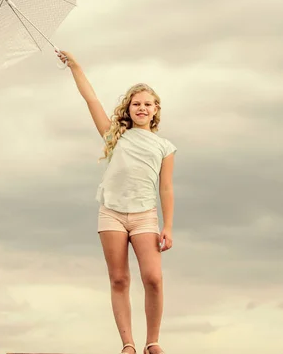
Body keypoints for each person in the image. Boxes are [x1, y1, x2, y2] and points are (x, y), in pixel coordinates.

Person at [57, 50, 176, 354]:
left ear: (156, 109)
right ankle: (128, 344)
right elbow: (91, 100)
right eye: (136, 103)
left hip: (145, 216)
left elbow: (166, 188)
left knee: (153, 278)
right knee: (119, 279)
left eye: (147, 104)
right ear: (129, 107)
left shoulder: (165, 146)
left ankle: (153, 341)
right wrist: (76, 67)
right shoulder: (115, 135)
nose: (141, 108)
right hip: (111, 214)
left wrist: (169, 226)